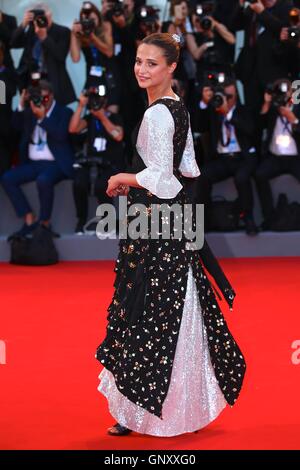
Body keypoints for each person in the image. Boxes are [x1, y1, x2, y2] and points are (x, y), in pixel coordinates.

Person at [95, 33, 246, 437]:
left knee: (148, 314)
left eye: (152, 63)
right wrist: (149, 186)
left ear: (172, 67)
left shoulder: (158, 114)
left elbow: (165, 178)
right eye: (139, 61)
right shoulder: (178, 106)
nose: (142, 69)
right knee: (171, 312)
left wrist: (123, 178)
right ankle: (165, 410)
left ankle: (140, 411)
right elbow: (190, 168)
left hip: (157, 227)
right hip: (170, 221)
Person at [1, 80, 74, 239]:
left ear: (52, 96)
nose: (42, 102)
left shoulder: (64, 112)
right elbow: (15, 126)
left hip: (56, 164)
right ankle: (29, 217)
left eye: (45, 98)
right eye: (39, 98)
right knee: (7, 178)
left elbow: (61, 136)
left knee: (44, 180)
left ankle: (45, 223)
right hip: (32, 163)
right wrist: (21, 104)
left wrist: (42, 119)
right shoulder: (30, 111)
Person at [196, 78, 258, 235]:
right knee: (202, 177)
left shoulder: (244, 110)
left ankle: (248, 217)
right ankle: (203, 220)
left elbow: (250, 130)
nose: (227, 100)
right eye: (225, 96)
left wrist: (228, 114)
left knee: (242, 178)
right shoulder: (213, 111)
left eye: (230, 97)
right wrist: (204, 102)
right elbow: (198, 124)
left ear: (236, 95)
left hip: (242, 158)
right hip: (222, 159)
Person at [11, 2, 76, 105]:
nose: (41, 19)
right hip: (32, 81)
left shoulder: (62, 31)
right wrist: (23, 25)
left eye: (43, 15)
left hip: (53, 81)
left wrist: (45, 38)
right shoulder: (32, 31)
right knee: (32, 114)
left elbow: (61, 55)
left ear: (50, 15)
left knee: (52, 115)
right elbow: (12, 43)